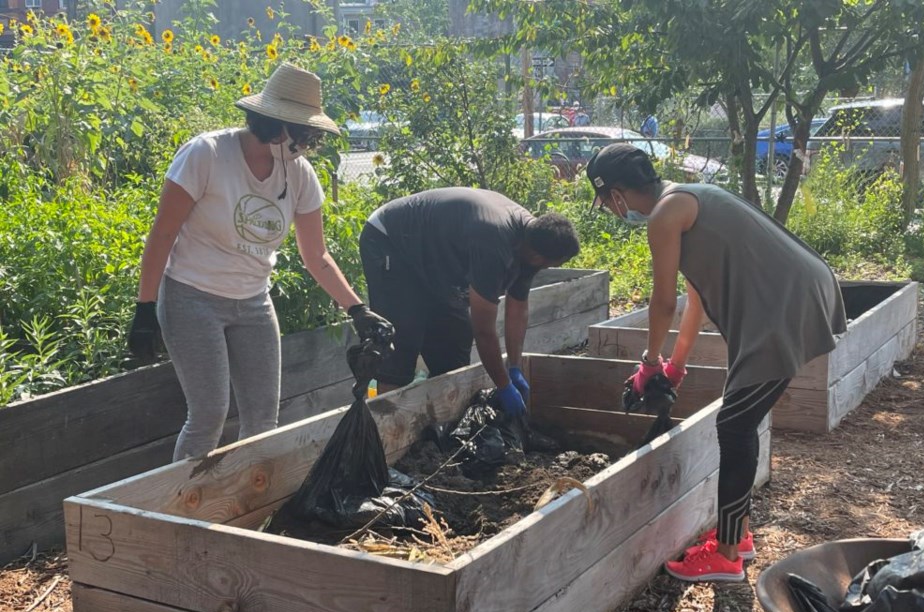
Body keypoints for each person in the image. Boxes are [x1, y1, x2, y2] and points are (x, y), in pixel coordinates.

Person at [586, 143, 846, 583]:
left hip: (784, 307)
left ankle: (727, 555)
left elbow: (663, 300)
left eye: (606, 203)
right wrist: (676, 367)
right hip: (791, 295)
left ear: (615, 194)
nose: (612, 212)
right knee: (738, 420)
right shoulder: (686, 198)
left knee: (734, 425)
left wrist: (649, 362)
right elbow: (696, 299)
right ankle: (737, 534)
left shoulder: (666, 216)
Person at [127, 62, 392, 461]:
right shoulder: (208, 154)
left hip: (253, 302)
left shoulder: (299, 175)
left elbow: (315, 255)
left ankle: (249, 507)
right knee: (208, 415)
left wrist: (357, 309)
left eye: (308, 133)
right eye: (299, 131)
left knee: (263, 420)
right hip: (192, 297)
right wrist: (145, 308)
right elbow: (163, 233)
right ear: (273, 121)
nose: (304, 142)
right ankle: (178, 512)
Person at [358, 188, 580, 417]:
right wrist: (503, 386)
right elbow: (484, 330)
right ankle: (385, 428)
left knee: (454, 343)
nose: (546, 269)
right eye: (550, 265)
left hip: (433, 256)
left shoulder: (532, 241)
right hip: (391, 241)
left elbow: (518, 307)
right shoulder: (494, 243)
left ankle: (441, 426)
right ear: (538, 257)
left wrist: (515, 367)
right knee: (402, 339)